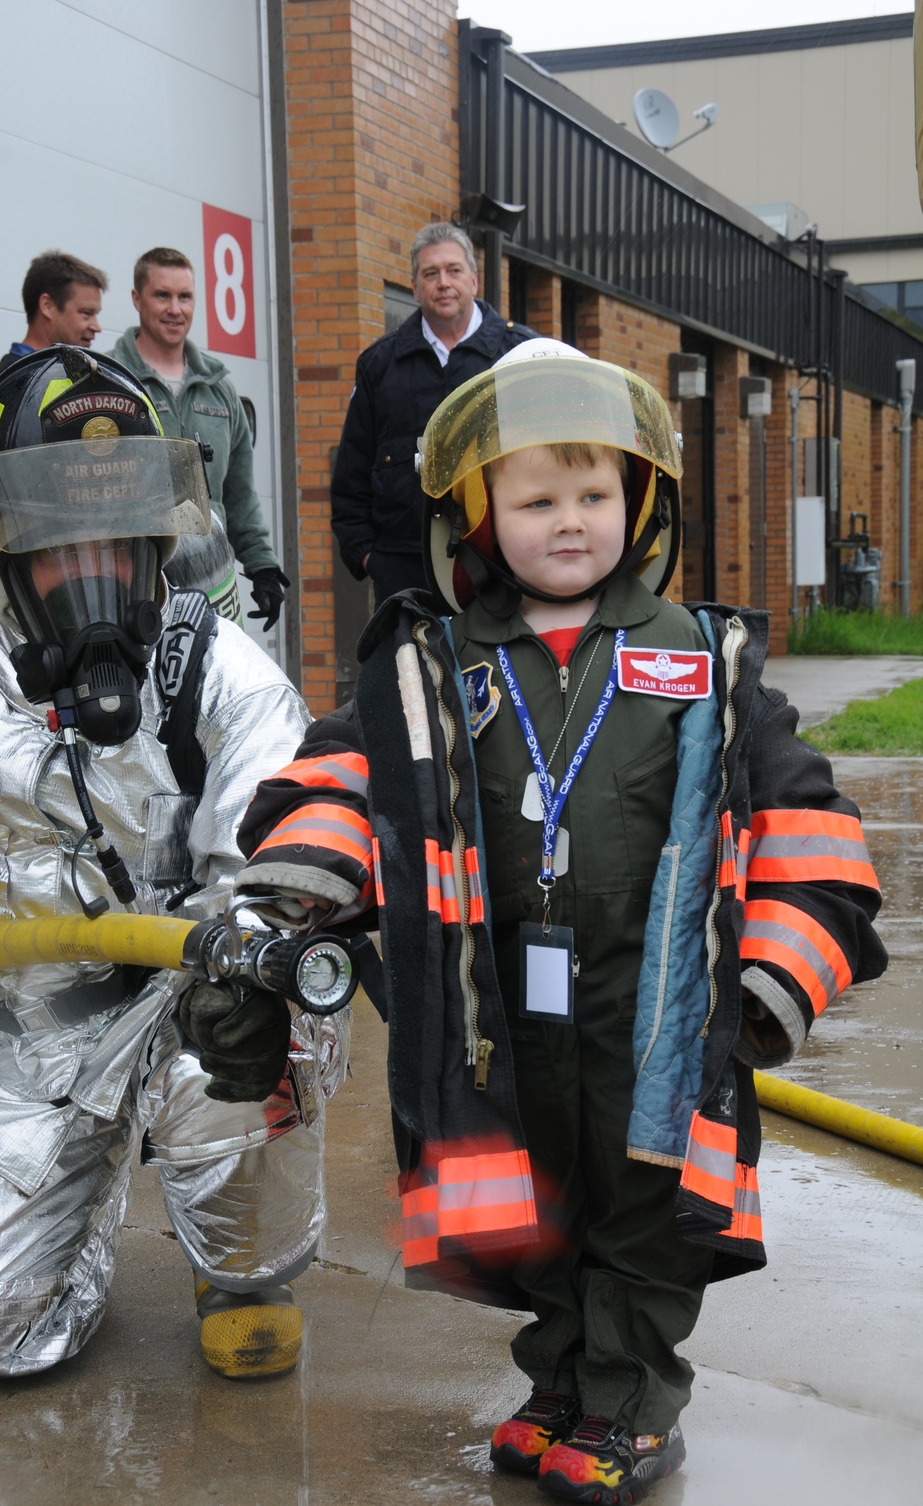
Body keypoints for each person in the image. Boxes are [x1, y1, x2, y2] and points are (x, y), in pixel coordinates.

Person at [232, 342, 887, 1503]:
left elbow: (809, 831)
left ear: (642, 503)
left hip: (657, 1022)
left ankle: (633, 1399)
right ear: (475, 519)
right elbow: (347, 785)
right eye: (536, 499)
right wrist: (297, 896)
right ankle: (562, 1378)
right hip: (501, 1021)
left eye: (594, 495)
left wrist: (759, 994)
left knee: (641, 1209)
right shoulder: (433, 667)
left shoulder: (702, 660)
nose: (570, 522)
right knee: (530, 1206)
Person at [0, 346, 347, 1384]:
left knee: (252, 1033)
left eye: (121, 534)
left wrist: (246, 961)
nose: (99, 567)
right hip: (5, 1015)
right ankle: (45, 1222)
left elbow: (273, 873)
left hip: (184, 989)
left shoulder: (221, 672)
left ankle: (243, 1267)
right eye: (64, 539)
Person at [330, 221, 536, 602]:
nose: (444, 282)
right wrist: (369, 558)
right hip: (403, 573)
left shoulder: (520, 355)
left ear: (473, 280)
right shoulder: (380, 364)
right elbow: (351, 475)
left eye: (454, 270)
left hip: (503, 566)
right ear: (414, 287)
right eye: (431, 273)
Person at [109, 247, 288, 631]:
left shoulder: (219, 389)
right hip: (134, 580)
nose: (175, 308)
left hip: (213, 580)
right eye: (162, 295)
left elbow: (239, 493)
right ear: (137, 299)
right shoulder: (110, 382)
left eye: (184, 296)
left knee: (216, 683)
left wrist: (262, 566)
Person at [0, 250, 107, 374]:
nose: (97, 327)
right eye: (86, 313)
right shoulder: (18, 378)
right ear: (47, 306)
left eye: (96, 314)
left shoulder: (64, 371)